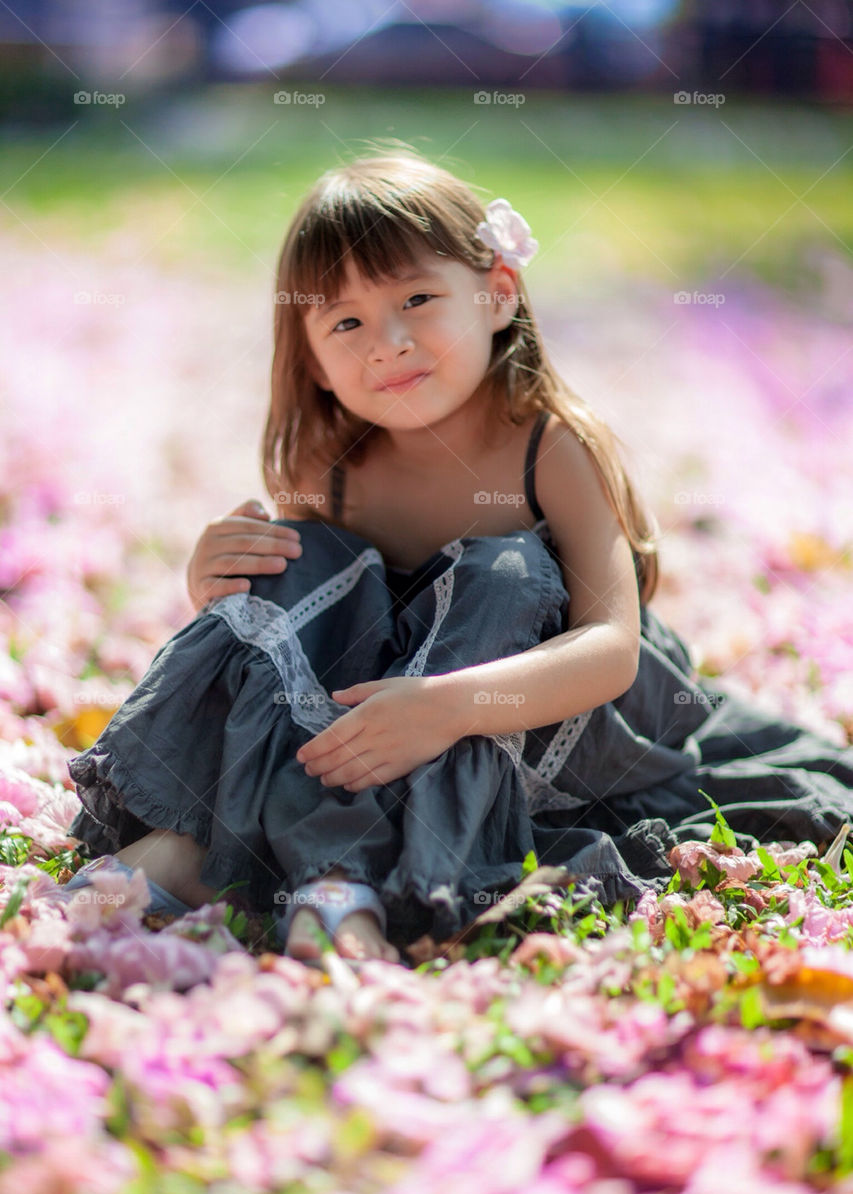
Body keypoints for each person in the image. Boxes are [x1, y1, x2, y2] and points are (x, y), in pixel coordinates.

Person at [64, 141, 853, 967]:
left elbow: (611, 650)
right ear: (313, 359)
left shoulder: (548, 444)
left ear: (496, 295)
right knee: (296, 565)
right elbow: (310, 647)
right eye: (346, 321)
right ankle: (287, 872)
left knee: (499, 573)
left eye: (417, 298)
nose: (388, 341)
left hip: (541, 712)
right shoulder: (324, 466)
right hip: (385, 728)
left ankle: (334, 876)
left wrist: (445, 706)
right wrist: (218, 584)